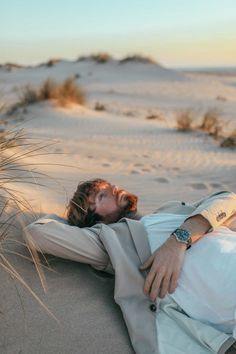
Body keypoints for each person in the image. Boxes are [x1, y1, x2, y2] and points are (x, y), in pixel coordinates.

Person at [24, 178, 236, 354]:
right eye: (102, 195)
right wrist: (73, 221)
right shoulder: (112, 241)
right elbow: (37, 234)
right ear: (96, 222)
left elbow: (227, 199)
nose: (113, 188)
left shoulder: (170, 210)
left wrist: (178, 241)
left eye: (108, 185)